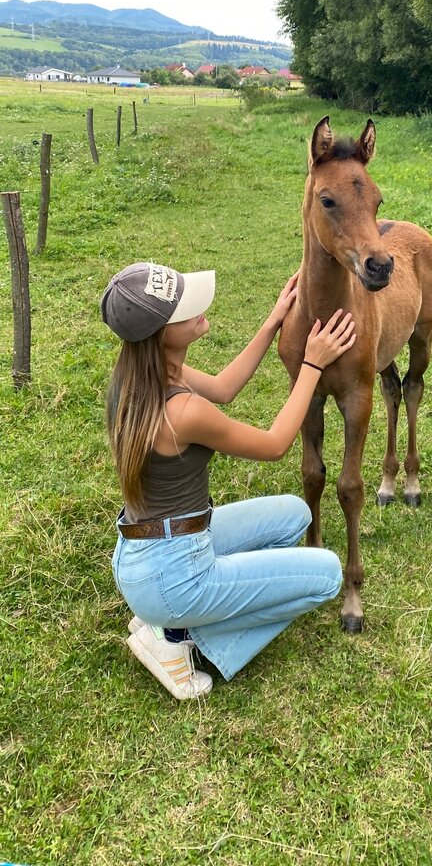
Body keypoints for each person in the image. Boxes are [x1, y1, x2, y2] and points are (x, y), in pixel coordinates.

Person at [101, 260, 355, 701]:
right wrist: (312, 365)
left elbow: (222, 387)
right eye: (184, 308)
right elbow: (276, 444)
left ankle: (164, 618)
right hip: (175, 574)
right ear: (162, 335)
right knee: (328, 575)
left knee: (295, 515)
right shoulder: (182, 412)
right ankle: (177, 638)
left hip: (148, 551)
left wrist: (275, 319)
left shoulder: (141, 373)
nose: (199, 308)